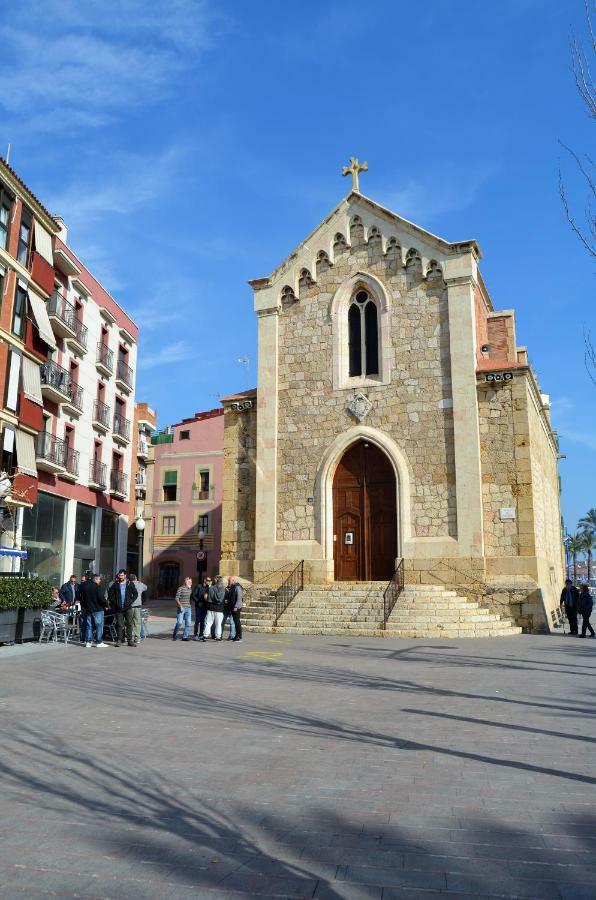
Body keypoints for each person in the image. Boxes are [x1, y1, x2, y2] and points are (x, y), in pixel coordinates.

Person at [108, 569, 139, 647]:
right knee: (119, 624)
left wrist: (130, 601)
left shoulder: (130, 584)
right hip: (119, 608)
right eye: (119, 575)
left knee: (129, 624)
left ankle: (129, 640)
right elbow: (110, 595)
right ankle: (119, 640)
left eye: (121, 575)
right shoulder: (115, 584)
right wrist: (115, 603)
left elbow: (135, 594)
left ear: (125, 575)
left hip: (128, 608)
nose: (120, 577)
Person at [79, 571, 108, 648]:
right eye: (99, 579)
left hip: (88, 609)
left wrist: (84, 605)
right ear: (95, 579)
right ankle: (99, 641)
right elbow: (101, 598)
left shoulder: (85, 586)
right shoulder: (97, 587)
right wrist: (106, 604)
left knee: (89, 625)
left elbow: (81, 597)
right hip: (98, 609)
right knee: (99, 625)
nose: (100, 581)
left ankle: (88, 641)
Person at [201, 576, 226, 641]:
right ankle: (218, 636)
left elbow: (208, 598)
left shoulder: (211, 588)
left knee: (208, 623)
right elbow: (220, 599)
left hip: (211, 608)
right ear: (221, 582)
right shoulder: (223, 589)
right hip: (219, 609)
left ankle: (205, 636)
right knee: (218, 624)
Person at [173, 576, 193, 641]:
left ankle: (184, 637)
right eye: (189, 582)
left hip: (188, 608)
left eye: (191, 582)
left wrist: (190, 604)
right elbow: (176, 598)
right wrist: (180, 606)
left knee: (188, 623)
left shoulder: (190, 589)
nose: (191, 583)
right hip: (181, 608)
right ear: (185, 581)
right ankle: (175, 634)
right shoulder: (180, 588)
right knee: (179, 622)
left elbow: (190, 598)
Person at [130, 573, 148, 640]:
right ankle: (139, 636)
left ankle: (130, 636)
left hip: (130, 605)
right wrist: (139, 582)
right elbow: (146, 588)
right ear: (136, 578)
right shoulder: (140, 584)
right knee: (138, 622)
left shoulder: (128, 584)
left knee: (130, 621)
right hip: (138, 604)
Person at [227, 575, 243, 642]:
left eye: (229, 581)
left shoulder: (237, 587)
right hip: (232, 607)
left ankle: (239, 636)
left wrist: (236, 606)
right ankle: (236, 635)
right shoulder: (232, 587)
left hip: (236, 607)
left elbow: (239, 597)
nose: (228, 582)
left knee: (237, 622)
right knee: (235, 622)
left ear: (233, 581)